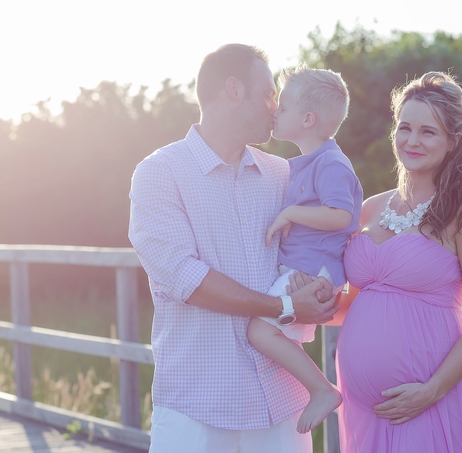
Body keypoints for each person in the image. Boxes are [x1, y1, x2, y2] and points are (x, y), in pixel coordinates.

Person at [128, 44, 339, 453]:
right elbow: (185, 279)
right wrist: (284, 308)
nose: (275, 107)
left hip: (281, 404)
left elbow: (323, 238)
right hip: (198, 404)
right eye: (267, 93)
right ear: (233, 89)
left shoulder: (282, 174)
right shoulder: (159, 173)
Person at [332, 71, 462, 452]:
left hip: (426, 400)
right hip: (363, 408)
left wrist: (432, 390)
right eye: (405, 127)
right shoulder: (370, 208)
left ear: (452, 142)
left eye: (428, 132)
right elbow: (351, 302)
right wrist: (294, 305)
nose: (412, 140)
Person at [246, 64, 363, 434]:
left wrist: (291, 212)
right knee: (273, 337)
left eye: (283, 105)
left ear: (308, 118)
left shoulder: (331, 163)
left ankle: (322, 390)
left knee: (258, 332)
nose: (275, 110)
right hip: (302, 270)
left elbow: (343, 216)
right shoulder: (303, 164)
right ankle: (296, 404)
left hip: (317, 272)